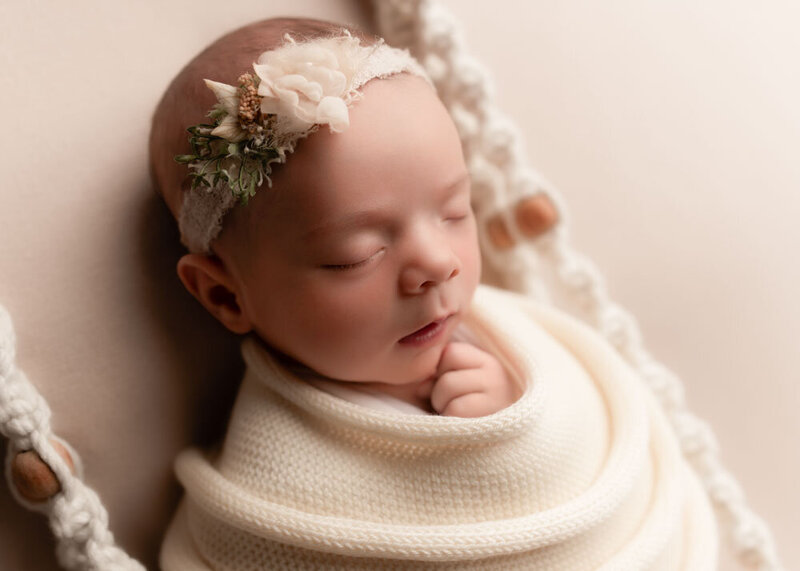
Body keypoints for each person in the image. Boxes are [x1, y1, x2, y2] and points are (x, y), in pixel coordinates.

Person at [150, 16, 718, 570]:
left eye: (454, 211)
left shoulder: (507, 338)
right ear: (226, 297)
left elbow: (593, 443)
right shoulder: (271, 493)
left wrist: (512, 423)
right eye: (357, 254)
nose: (438, 264)